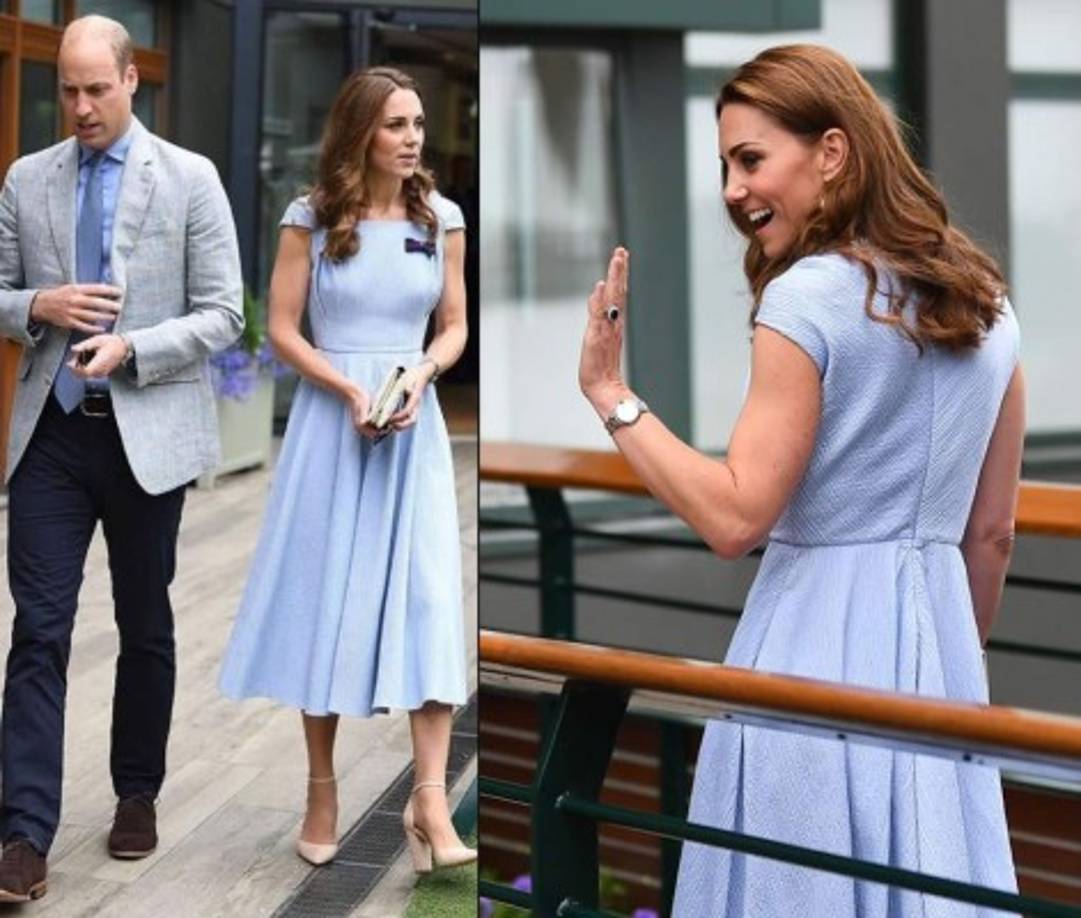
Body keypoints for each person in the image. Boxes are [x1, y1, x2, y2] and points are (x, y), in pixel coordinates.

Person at [578, 44, 1023, 916]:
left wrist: (610, 393)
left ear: (830, 152)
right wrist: (951, 658)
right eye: (725, 166)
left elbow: (735, 517)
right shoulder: (987, 303)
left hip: (809, 651)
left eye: (750, 159)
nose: (731, 189)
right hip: (941, 661)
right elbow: (992, 532)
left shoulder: (807, 297)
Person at [0, 14, 243, 903]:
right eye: (66, 89)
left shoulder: (190, 177)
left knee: (145, 623)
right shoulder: (26, 178)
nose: (79, 106)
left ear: (132, 80)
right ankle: (23, 834)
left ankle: (136, 793)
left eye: (96, 89)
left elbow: (224, 313)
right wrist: (39, 304)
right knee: (39, 629)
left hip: (147, 435)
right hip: (52, 438)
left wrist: (133, 347)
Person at [218, 66, 475, 874]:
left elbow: (454, 326)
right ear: (360, 132)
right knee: (324, 603)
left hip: (412, 426)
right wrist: (348, 389)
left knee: (430, 599)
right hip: (333, 427)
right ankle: (321, 792)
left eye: (418, 124)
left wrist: (421, 375)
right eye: (396, 124)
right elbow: (283, 329)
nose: (412, 138)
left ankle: (429, 800)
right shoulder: (311, 217)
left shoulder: (443, 219)